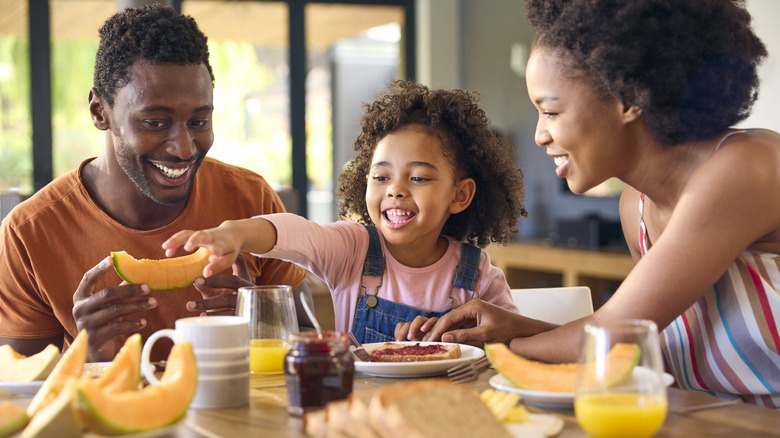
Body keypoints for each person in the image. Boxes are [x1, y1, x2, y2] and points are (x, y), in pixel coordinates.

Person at [422, 0, 780, 408]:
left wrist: (506, 345)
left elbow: (617, 331)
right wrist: (513, 328)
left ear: (628, 99)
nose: (540, 135)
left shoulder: (749, 165)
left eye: (551, 111)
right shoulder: (636, 210)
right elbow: (640, 342)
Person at [0, 4, 311, 362]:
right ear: (100, 112)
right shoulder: (30, 232)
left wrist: (260, 324)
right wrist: (89, 355)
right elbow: (17, 390)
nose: (183, 149)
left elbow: (313, 342)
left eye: (198, 121)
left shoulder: (251, 199)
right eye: (155, 123)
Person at [162, 81, 528, 343]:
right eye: (381, 176)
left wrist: (472, 341)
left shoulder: (476, 273)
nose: (395, 189)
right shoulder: (352, 249)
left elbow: (513, 340)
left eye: (417, 177)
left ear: (460, 195)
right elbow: (296, 232)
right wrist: (236, 233)